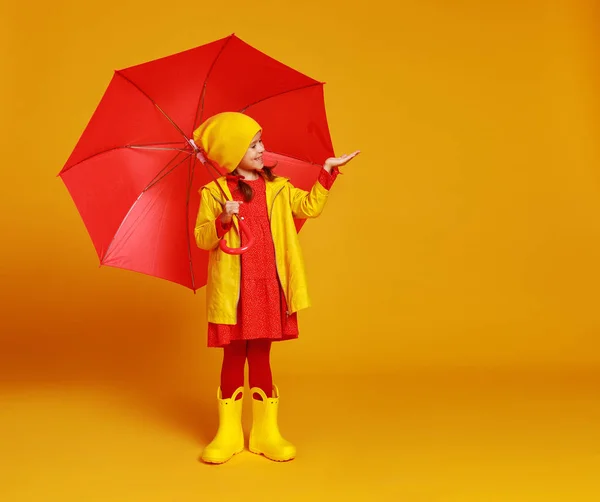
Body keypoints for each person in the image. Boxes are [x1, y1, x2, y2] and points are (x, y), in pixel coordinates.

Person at [193, 112, 359, 463]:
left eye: (260, 142)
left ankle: (266, 434)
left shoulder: (279, 188)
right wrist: (223, 219)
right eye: (252, 144)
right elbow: (202, 238)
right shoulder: (214, 194)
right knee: (234, 355)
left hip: (268, 284)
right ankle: (229, 434)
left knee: (262, 356)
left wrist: (327, 171)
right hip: (234, 291)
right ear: (230, 153)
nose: (261, 148)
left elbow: (309, 207)